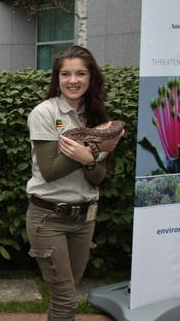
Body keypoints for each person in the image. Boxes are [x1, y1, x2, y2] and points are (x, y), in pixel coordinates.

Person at [25, 46, 124, 321]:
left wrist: (90, 160)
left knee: (65, 297)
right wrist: (91, 151)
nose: (73, 80)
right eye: (65, 74)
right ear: (57, 78)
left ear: (91, 78)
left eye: (81, 73)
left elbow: (98, 177)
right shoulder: (44, 113)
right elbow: (49, 171)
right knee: (66, 302)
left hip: (85, 219)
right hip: (48, 218)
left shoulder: (96, 118)